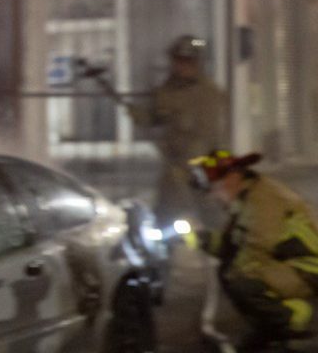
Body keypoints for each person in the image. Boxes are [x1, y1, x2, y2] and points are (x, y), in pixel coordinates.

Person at [189, 150, 318, 352]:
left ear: (232, 177)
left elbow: (258, 245)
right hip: (290, 266)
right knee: (234, 271)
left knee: (240, 276)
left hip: (308, 269)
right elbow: (232, 243)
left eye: (214, 188)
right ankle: (270, 326)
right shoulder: (247, 197)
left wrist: (234, 270)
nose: (213, 196)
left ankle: (293, 318)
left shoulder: (263, 197)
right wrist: (202, 239)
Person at [128, 34, 227, 226]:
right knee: (165, 219)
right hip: (174, 170)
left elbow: (211, 136)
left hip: (202, 170)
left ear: (197, 63)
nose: (181, 66)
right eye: (178, 61)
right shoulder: (168, 90)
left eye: (187, 61)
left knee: (212, 218)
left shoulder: (209, 94)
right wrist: (140, 115)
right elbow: (156, 117)